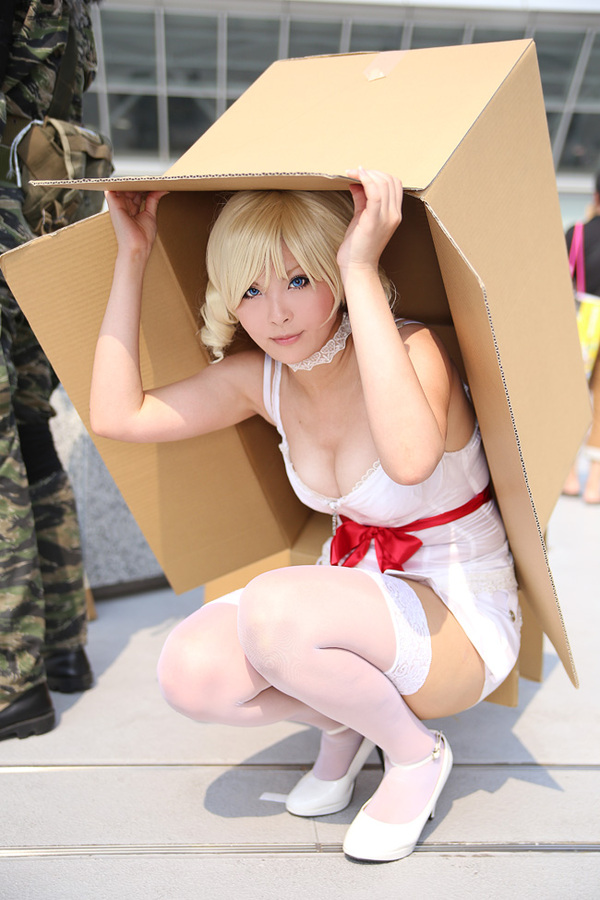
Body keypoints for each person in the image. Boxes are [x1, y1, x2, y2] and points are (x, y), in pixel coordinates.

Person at [90, 170, 521, 862]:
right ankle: (349, 720)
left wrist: (362, 267)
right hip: (350, 596)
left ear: (335, 270)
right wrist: (133, 255)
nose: (276, 315)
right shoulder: (260, 381)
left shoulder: (416, 350)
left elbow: (410, 460)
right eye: (250, 290)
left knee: (273, 610)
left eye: (298, 280)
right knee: (189, 671)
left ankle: (415, 754)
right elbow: (118, 415)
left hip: (457, 613)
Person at [0, 0, 97, 743]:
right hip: (43, 219)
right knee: (31, 432)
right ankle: (63, 648)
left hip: (10, 206)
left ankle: (14, 679)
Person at [563, 171, 600, 504]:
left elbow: (562, 280)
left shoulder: (576, 232)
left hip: (582, 318)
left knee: (571, 397)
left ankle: (569, 475)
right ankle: (595, 483)